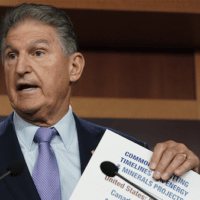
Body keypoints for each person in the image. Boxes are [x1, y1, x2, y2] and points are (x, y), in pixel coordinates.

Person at [0, 3, 199, 200]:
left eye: (38, 53)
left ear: (74, 67)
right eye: (12, 55)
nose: (20, 68)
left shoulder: (129, 157)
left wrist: (186, 181)